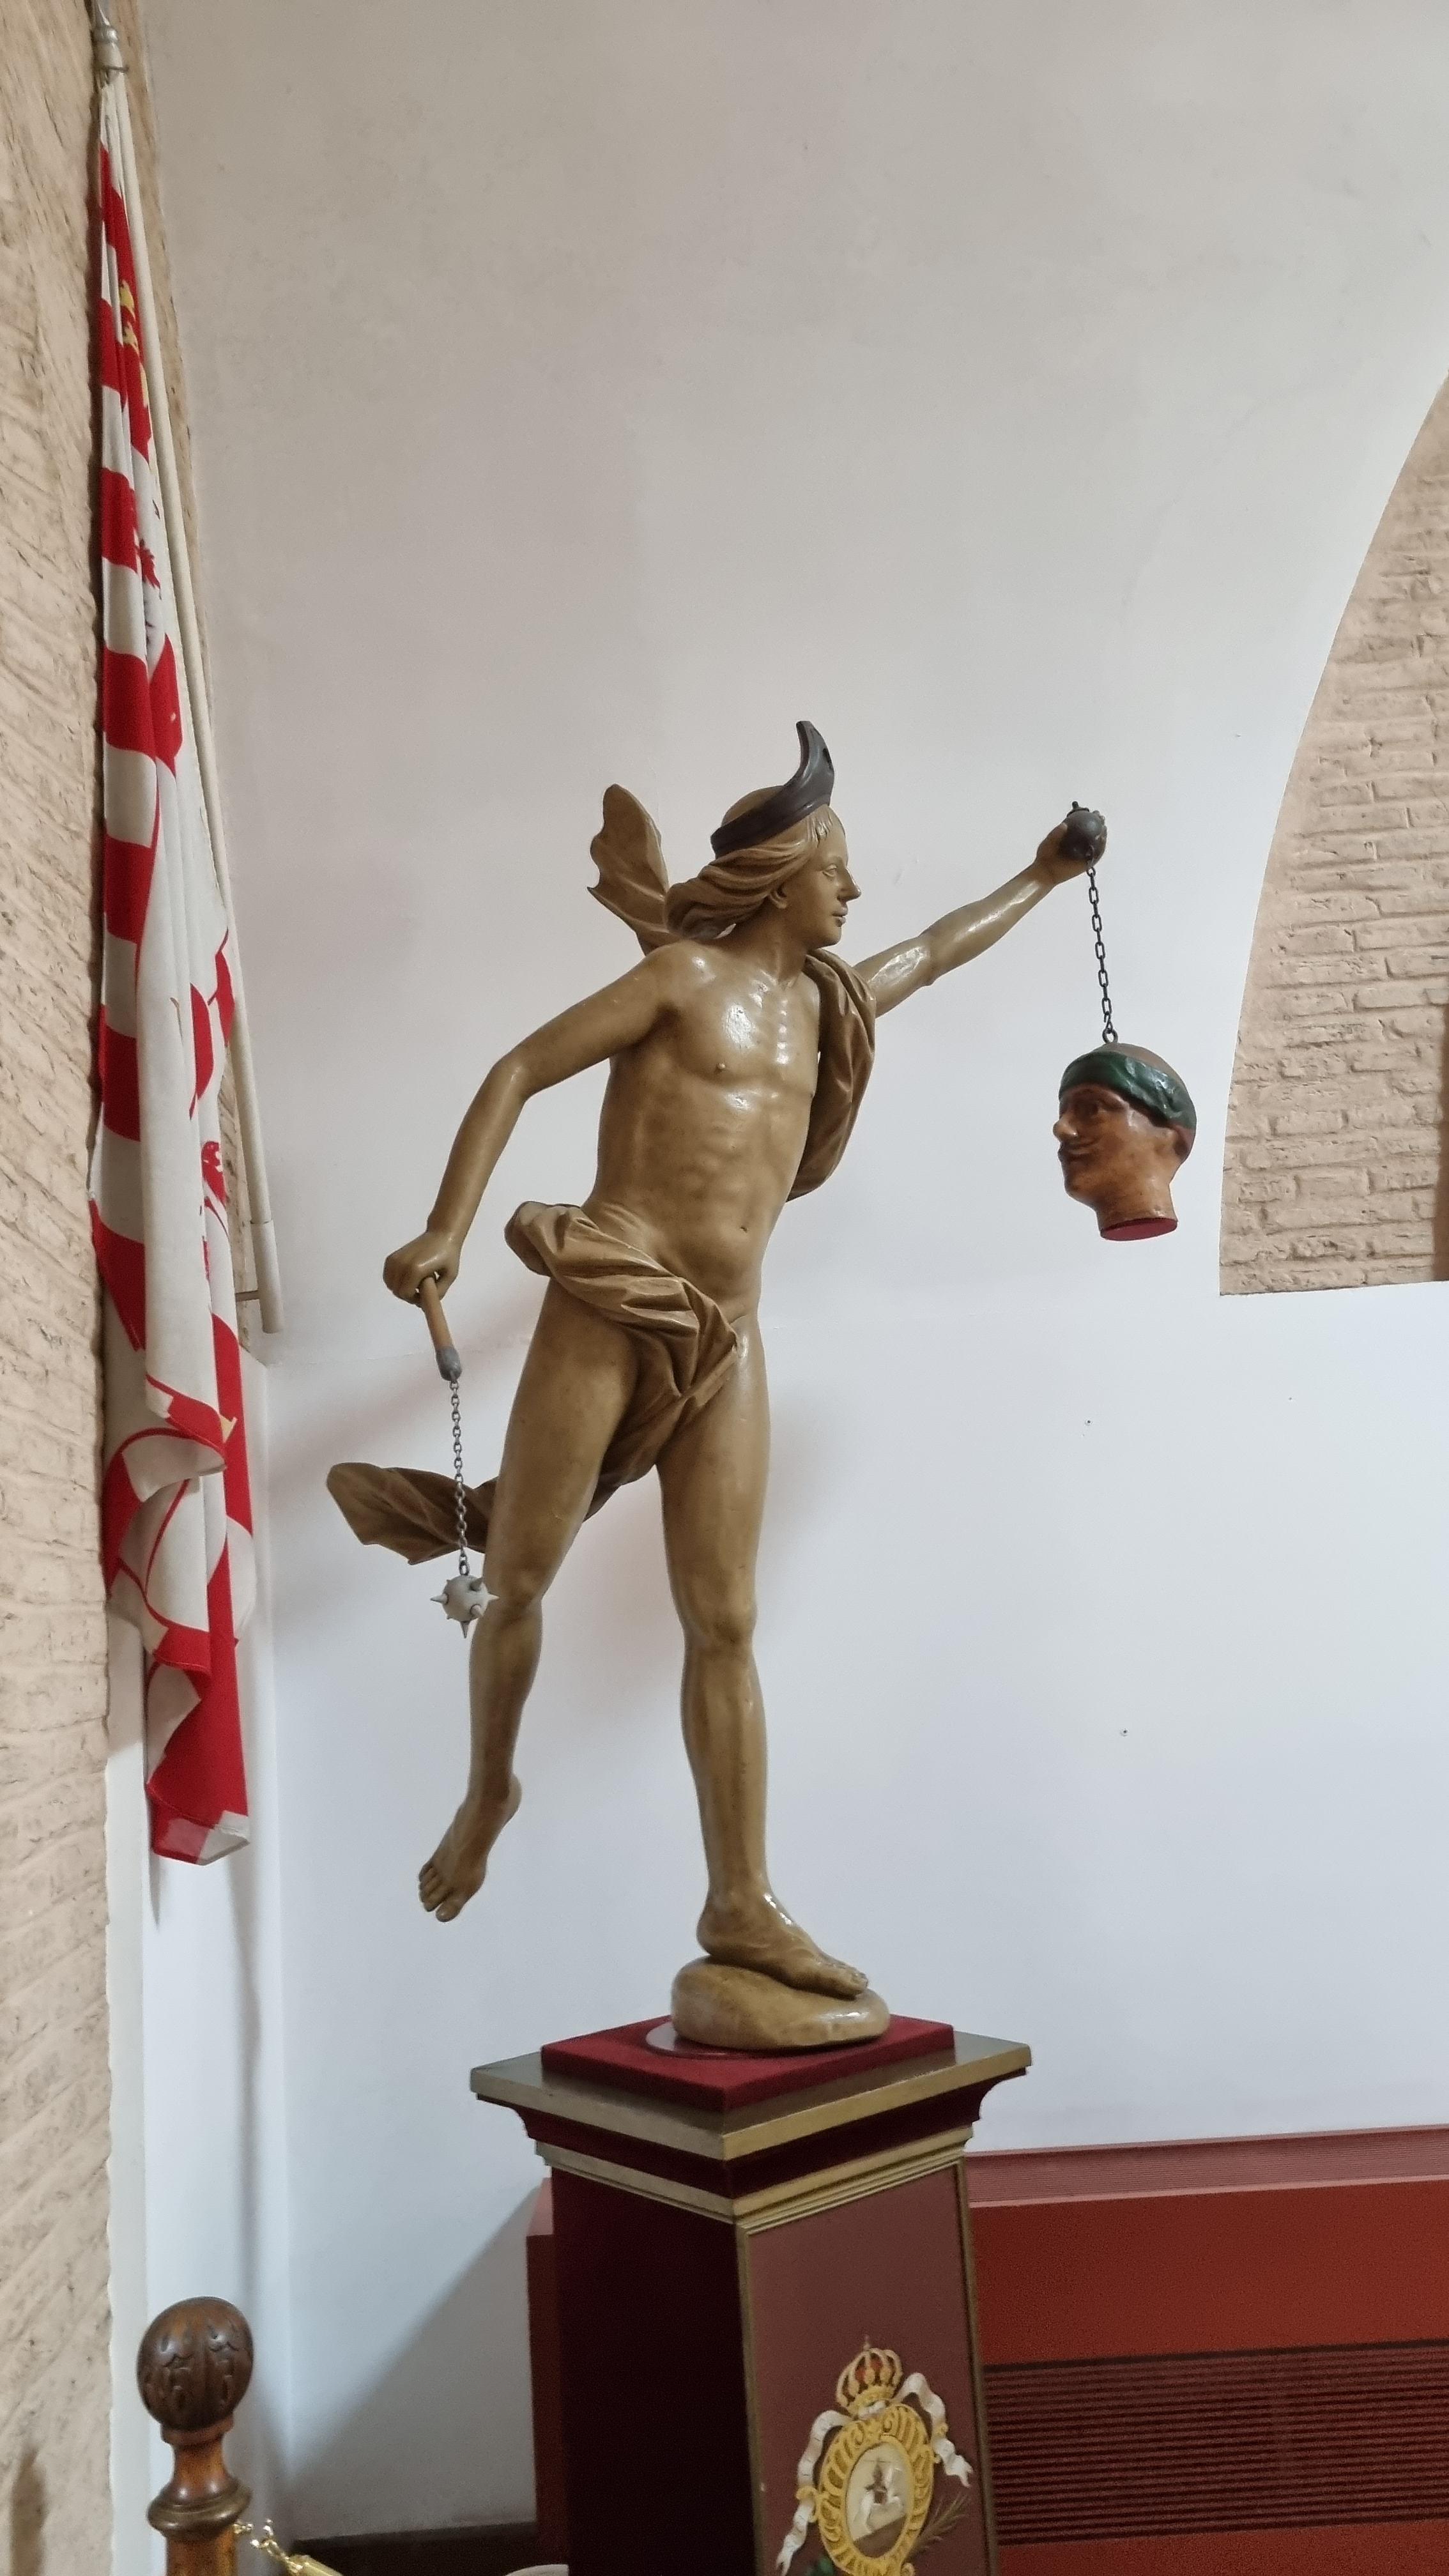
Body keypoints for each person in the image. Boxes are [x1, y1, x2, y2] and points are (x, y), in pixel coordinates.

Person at [330, 724, 1099, 2019]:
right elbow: (520, 1068)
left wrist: (1041, 876)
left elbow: (933, 951)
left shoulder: (826, 1006)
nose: (853, 893)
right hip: (611, 1297)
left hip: (728, 1336)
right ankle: (488, 1789)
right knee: (520, 1577)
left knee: (726, 1622)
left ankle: (740, 1897)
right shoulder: (680, 981)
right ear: (780, 880)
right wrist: (445, 1229)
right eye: (836, 871)